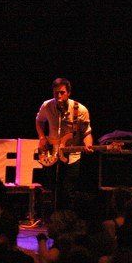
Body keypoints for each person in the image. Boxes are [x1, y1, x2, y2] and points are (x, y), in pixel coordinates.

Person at [36, 78, 93, 210]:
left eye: (62, 92)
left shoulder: (81, 110)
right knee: (51, 189)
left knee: (68, 190)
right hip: (51, 153)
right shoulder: (47, 106)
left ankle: (67, 217)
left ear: (69, 93)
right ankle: (51, 218)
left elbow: (86, 132)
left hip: (71, 155)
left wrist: (88, 144)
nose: (59, 96)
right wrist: (42, 137)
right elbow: (39, 120)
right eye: (56, 93)